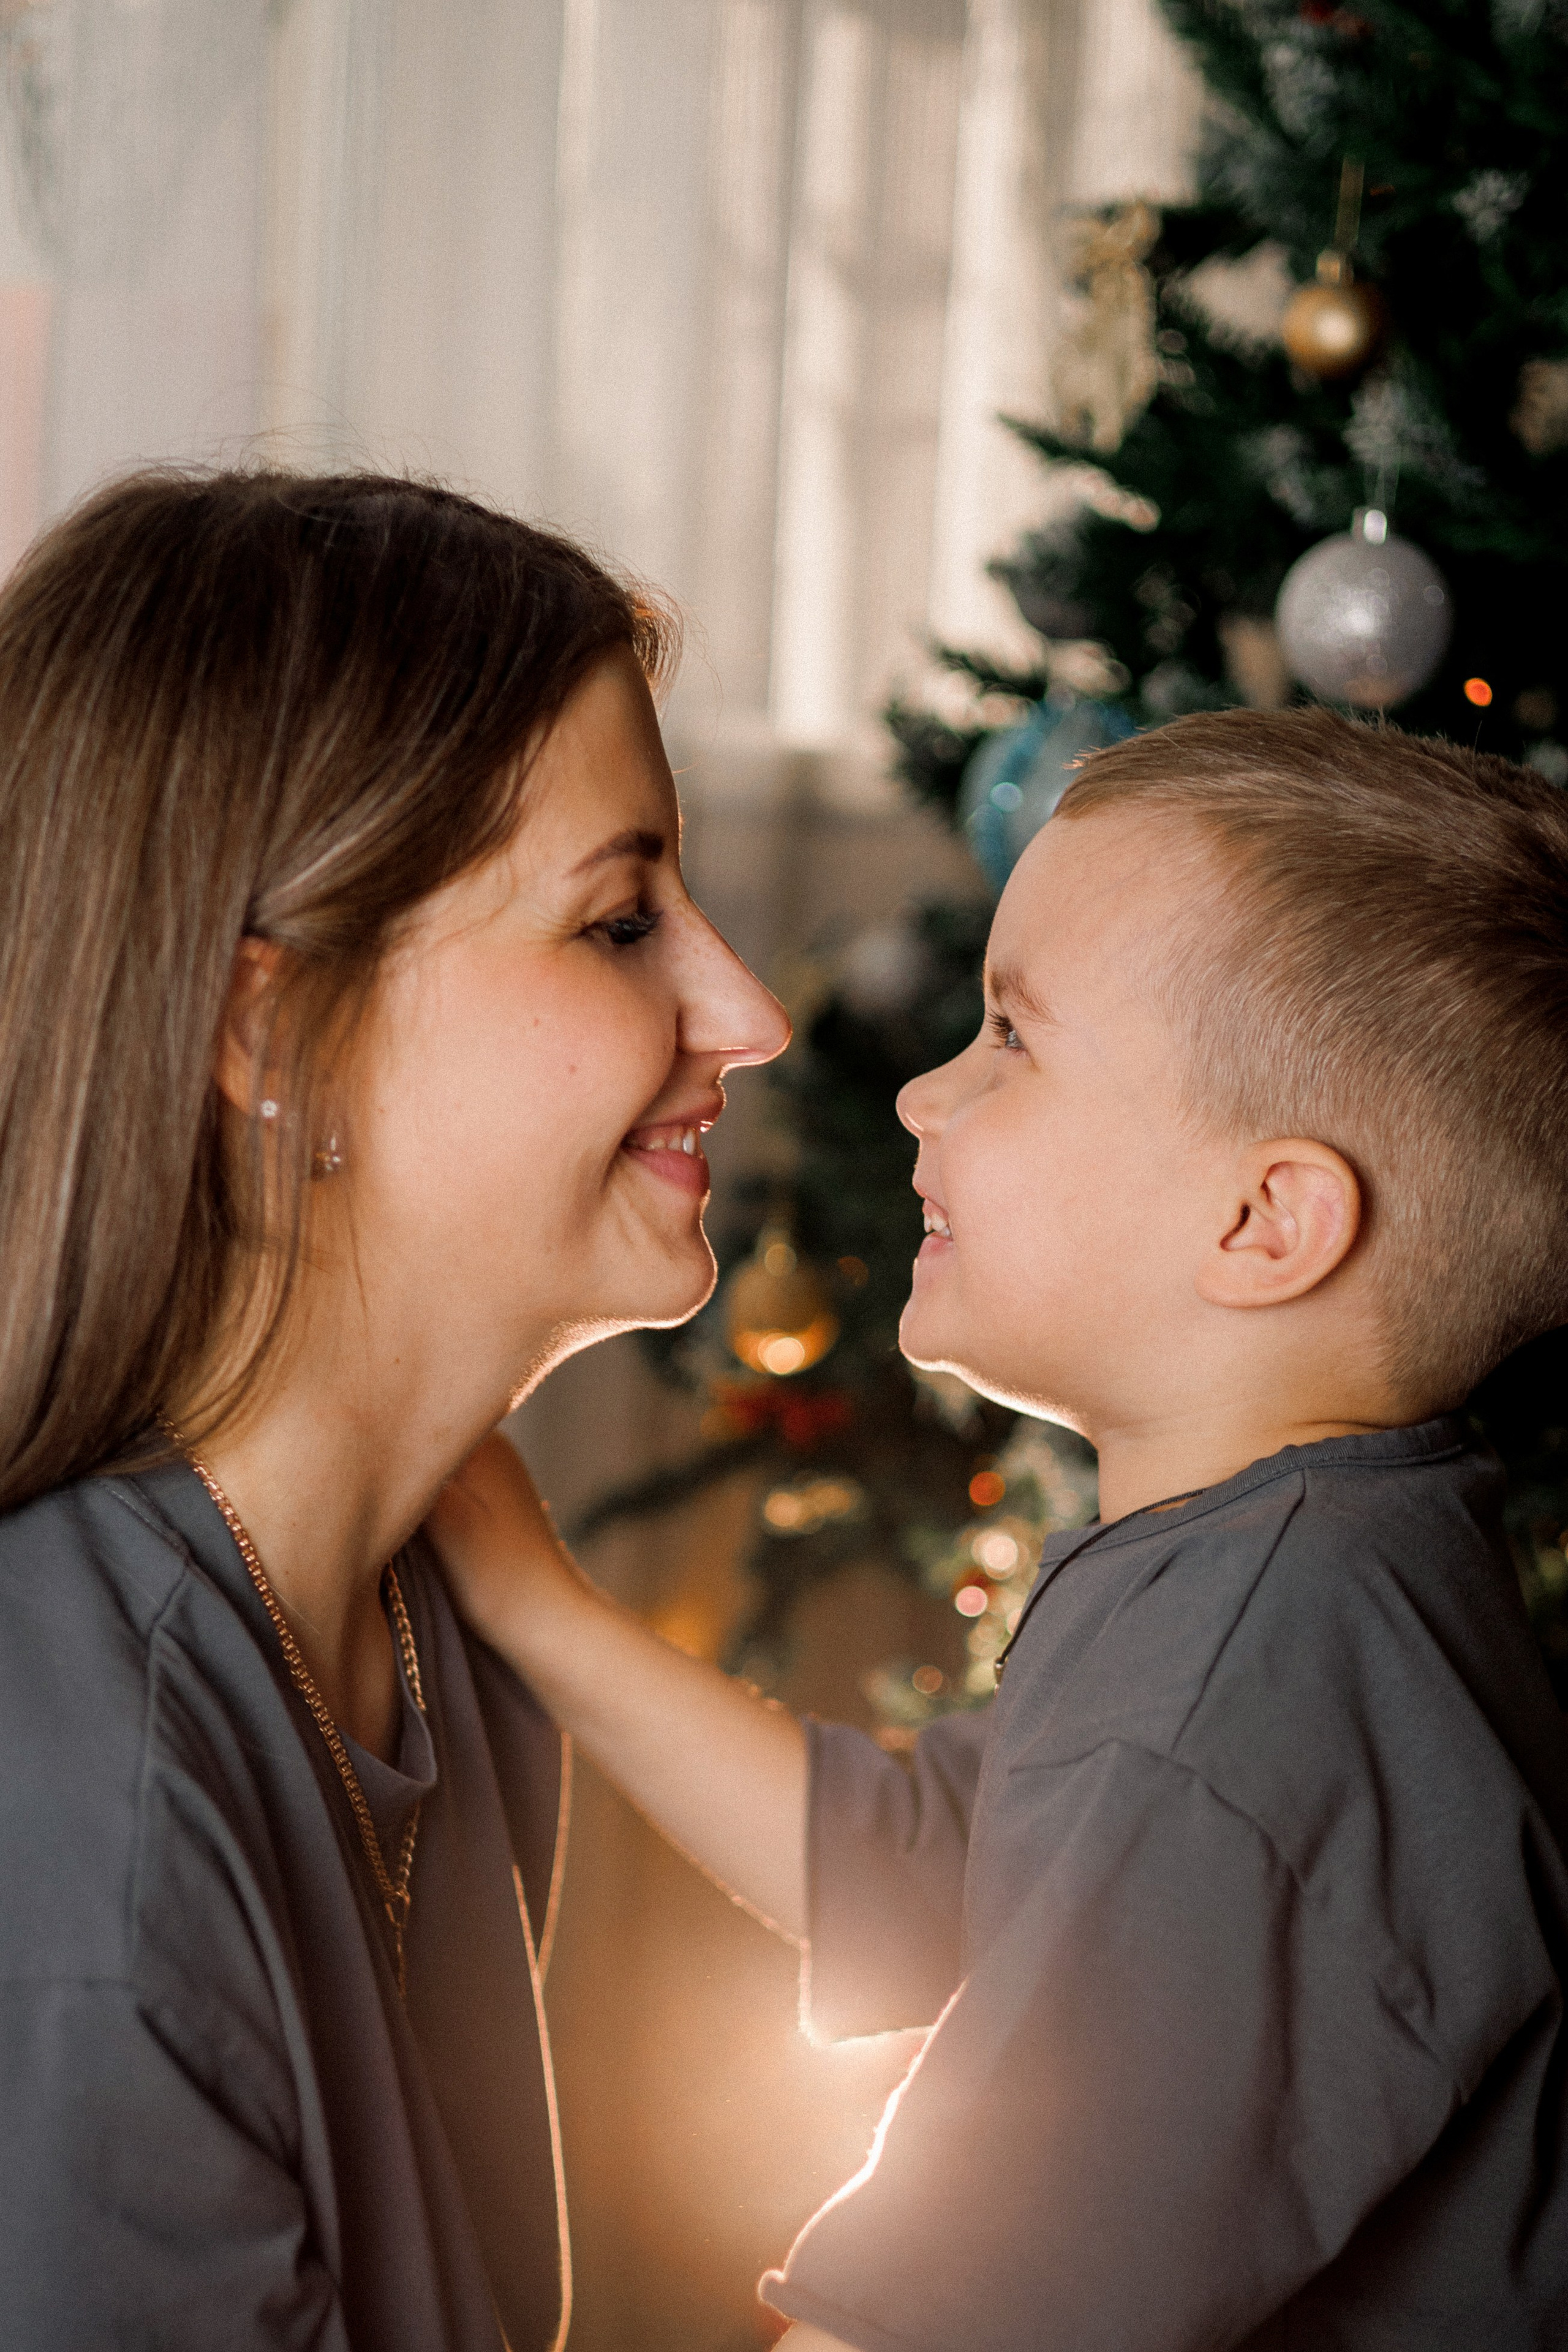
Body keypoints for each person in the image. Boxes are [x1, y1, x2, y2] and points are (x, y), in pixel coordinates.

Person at [431, 707, 1568, 2352]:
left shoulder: (1255, 1692)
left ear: (1264, 1223)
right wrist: (536, 1606)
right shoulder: (1284, 1586)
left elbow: (954, 2317)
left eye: (1012, 1040)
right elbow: (907, 1873)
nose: (918, 1096)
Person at [0, 466, 790, 2351]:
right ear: (268, 1038)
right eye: (618, 924)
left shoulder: (435, 1612)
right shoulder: (75, 1828)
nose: (745, 1012)